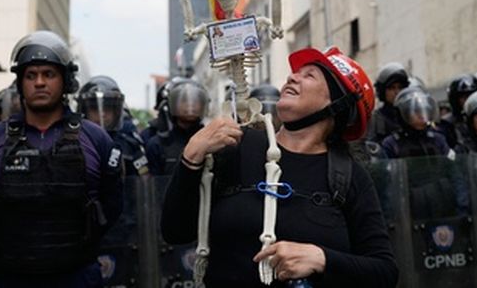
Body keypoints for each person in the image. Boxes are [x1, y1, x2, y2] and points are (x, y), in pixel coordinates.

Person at [161, 46, 398, 287]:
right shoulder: (238, 146)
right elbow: (175, 232)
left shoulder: (349, 175)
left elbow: (384, 272)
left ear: (337, 104)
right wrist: (190, 157)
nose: (292, 76)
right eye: (296, 73)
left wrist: (322, 258)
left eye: (310, 75)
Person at [0, 30, 123, 287]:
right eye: (31, 75)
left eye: (49, 74)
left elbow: (113, 204)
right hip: (7, 276)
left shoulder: (97, 139)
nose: (39, 83)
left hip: (77, 275)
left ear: (66, 80)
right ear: (20, 82)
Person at [77, 75, 149, 176]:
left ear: (116, 112)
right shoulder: (73, 143)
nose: (102, 114)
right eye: (94, 109)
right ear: (84, 111)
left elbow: (144, 181)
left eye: (107, 108)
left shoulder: (129, 145)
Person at [145, 78, 208, 175]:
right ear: (172, 103)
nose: (190, 105)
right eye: (183, 100)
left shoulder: (211, 141)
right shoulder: (157, 145)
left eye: (195, 101)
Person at [381, 86, 452, 159]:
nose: (421, 115)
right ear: (403, 113)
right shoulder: (392, 143)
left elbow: (452, 165)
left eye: (424, 110)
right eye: (416, 111)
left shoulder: (437, 139)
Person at [436, 73, 477, 148]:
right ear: (456, 100)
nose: (469, 101)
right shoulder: (446, 124)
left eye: (473, 96)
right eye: (465, 97)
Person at [366, 62, 409, 142]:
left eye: (400, 87)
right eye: (392, 88)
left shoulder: (411, 116)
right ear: (382, 91)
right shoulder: (375, 120)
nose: (397, 92)